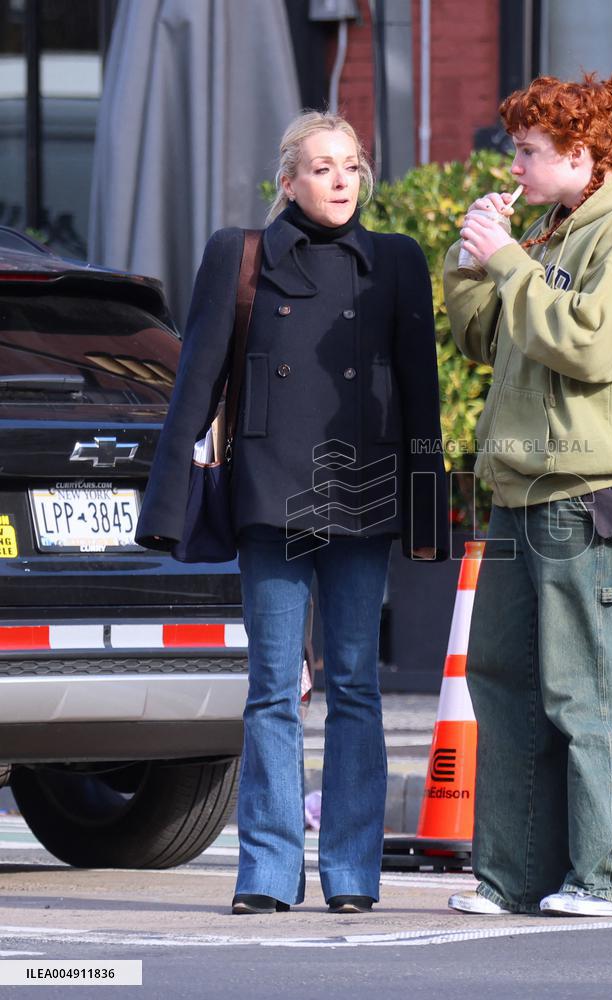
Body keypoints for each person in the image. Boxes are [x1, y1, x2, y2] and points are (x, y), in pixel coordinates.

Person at [136, 111, 447, 916]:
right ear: (289, 181)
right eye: (321, 167)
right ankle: (268, 871)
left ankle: (352, 870)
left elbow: (422, 395)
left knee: (356, 687)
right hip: (270, 494)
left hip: (363, 494)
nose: (341, 180)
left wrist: (428, 508)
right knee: (273, 687)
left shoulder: (397, 261)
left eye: (350, 165)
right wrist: (166, 501)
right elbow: (196, 382)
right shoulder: (239, 256)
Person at [443, 74, 612, 918]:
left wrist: (510, 262)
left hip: (589, 490)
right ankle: (514, 876)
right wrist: (472, 260)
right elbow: (481, 337)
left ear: (582, 154)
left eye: (529, 151)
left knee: (591, 687)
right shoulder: (554, 230)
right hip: (522, 490)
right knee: (505, 681)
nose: (514, 165)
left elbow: (593, 345)